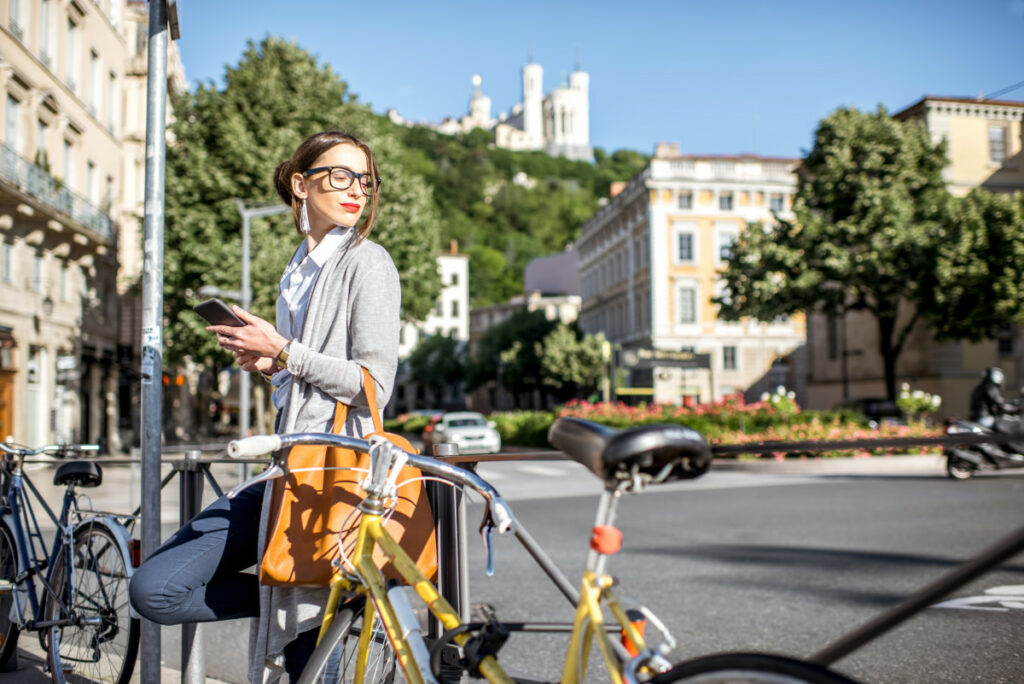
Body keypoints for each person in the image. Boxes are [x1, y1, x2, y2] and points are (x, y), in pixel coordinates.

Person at [129, 130, 401, 682]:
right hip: (286, 469)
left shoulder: (367, 263)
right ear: (301, 184)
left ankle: (318, 599)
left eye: (365, 180)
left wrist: (284, 351)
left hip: (333, 475)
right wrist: (273, 365)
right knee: (156, 588)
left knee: (308, 665)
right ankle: (315, 597)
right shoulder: (296, 273)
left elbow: (373, 383)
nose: (357, 191)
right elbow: (304, 381)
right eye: (341, 176)